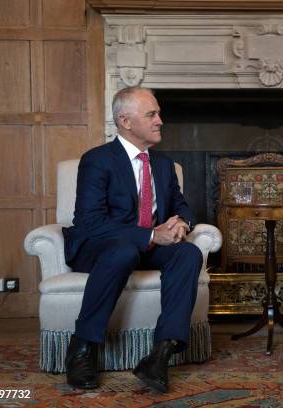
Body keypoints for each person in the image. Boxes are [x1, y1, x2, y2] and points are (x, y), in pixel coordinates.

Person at [62, 86, 203, 393]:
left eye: (159, 114)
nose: (160, 121)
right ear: (126, 121)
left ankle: (159, 355)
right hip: (100, 247)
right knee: (124, 251)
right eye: (152, 114)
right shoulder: (98, 160)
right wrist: (152, 234)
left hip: (146, 247)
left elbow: (182, 205)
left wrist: (181, 223)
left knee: (188, 254)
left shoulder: (164, 165)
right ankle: (82, 347)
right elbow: (89, 223)